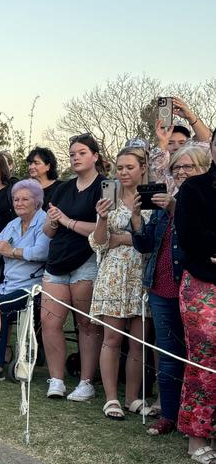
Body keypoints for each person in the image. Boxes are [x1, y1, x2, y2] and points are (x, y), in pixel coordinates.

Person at [131, 144, 211, 436]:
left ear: (204, 168)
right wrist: (138, 217)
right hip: (161, 287)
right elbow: (145, 245)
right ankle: (168, 415)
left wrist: (177, 208)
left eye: (188, 167)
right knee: (168, 354)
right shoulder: (165, 201)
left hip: (196, 289)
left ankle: (197, 423)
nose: (181, 172)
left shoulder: (204, 200)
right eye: (177, 167)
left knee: (196, 357)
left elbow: (199, 236)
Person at [89, 145, 152, 419]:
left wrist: (125, 238)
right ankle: (111, 398)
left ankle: (133, 398)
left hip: (142, 274)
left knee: (138, 341)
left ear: (143, 168)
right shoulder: (109, 198)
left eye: (130, 167)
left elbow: (152, 240)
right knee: (112, 338)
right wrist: (102, 218)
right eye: (120, 167)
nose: (123, 172)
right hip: (113, 275)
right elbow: (99, 242)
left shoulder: (152, 198)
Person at [41, 133, 105, 401]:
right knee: (49, 322)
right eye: (72, 154)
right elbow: (48, 231)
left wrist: (67, 221)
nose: (75, 157)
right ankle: (56, 379)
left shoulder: (105, 187)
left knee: (86, 324)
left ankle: (86, 382)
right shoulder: (62, 188)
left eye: (81, 153)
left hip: (86, 262)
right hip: (57, 263)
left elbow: (104, 229)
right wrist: (55, 222)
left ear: (95, 156)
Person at [0, 178, 50, 382]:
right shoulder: (13, 224)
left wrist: (11, 251)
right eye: (16, 200)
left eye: (25, 199)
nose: (19, 203)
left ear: (36, 201)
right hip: (9, 285)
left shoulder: (44, 222)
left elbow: (41, 252)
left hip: (33, 287)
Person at [173, 128, 216, 464]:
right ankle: (197, 436)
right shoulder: (195, 188)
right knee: (205, 362)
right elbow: (191, 236)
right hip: (204, 285)